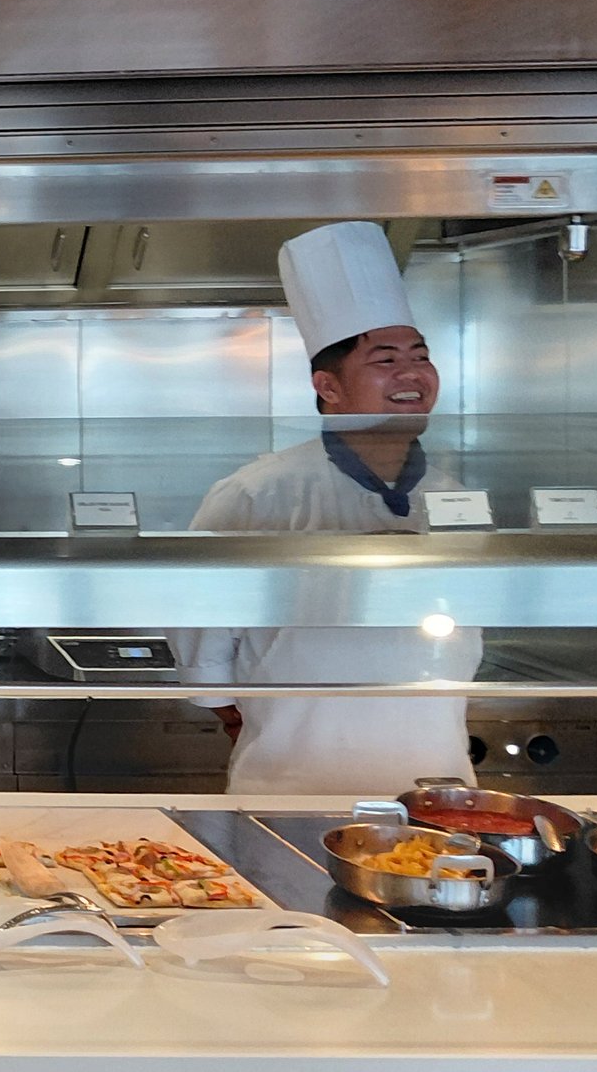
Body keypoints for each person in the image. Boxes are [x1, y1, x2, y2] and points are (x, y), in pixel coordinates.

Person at [172, 221, 483, 794]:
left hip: (437, 786)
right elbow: (202, 641)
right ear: (328, 386)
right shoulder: (257, 493)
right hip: (292, 783)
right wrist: (253, 721)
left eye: (420, 356)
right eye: (384, 360)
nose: (412, 374)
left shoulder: (455, 496)